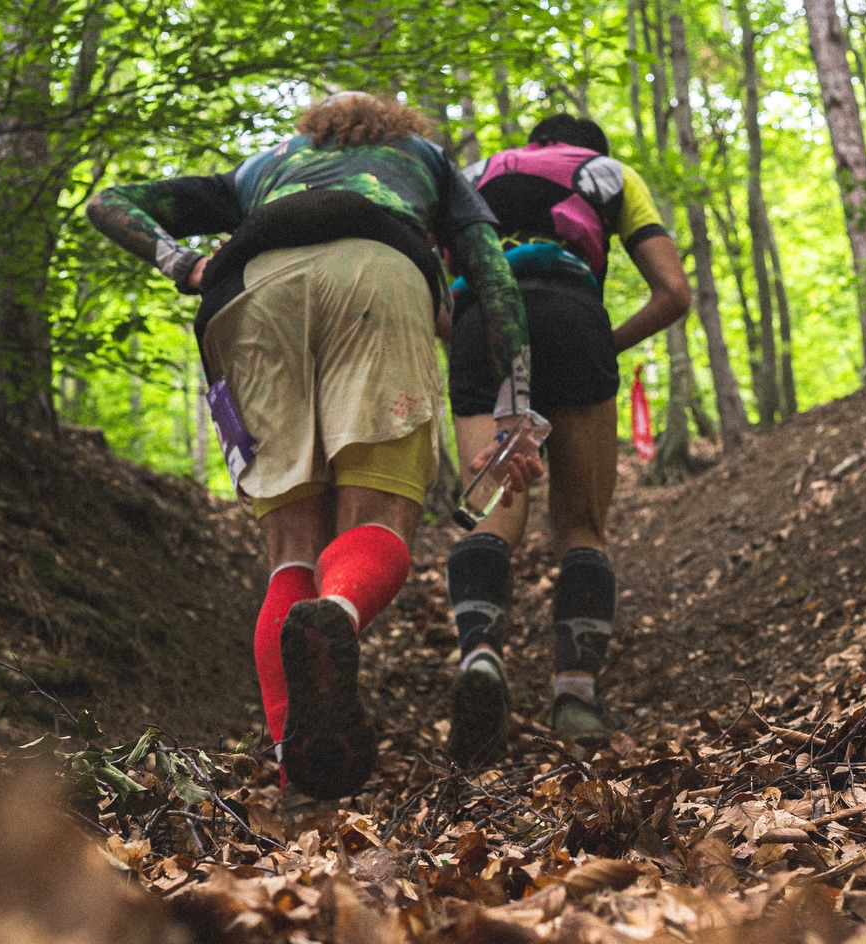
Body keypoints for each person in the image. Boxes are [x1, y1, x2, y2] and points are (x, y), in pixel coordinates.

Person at [86, 92, 539, 800]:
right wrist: (515, 406)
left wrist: (184, 264)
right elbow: (492, 272)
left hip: (244, 292)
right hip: (379, 273)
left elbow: (109, 201)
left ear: (312, 130)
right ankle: (341, 615)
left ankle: (293, 763)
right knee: (376, 523)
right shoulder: (422, 160)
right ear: (399, 127)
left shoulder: (261, 168)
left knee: (289, 551)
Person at [443, 114, 692, 767]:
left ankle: (480, 660)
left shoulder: (470, 176)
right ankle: (575, 696)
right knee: (581, 523)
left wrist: (477, 341)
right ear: (587, 145)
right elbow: (673, 292)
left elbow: (435, 296)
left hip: (480, 317)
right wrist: (600, 348)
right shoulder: (608, 172)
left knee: (494, 511)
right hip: (571, 310)